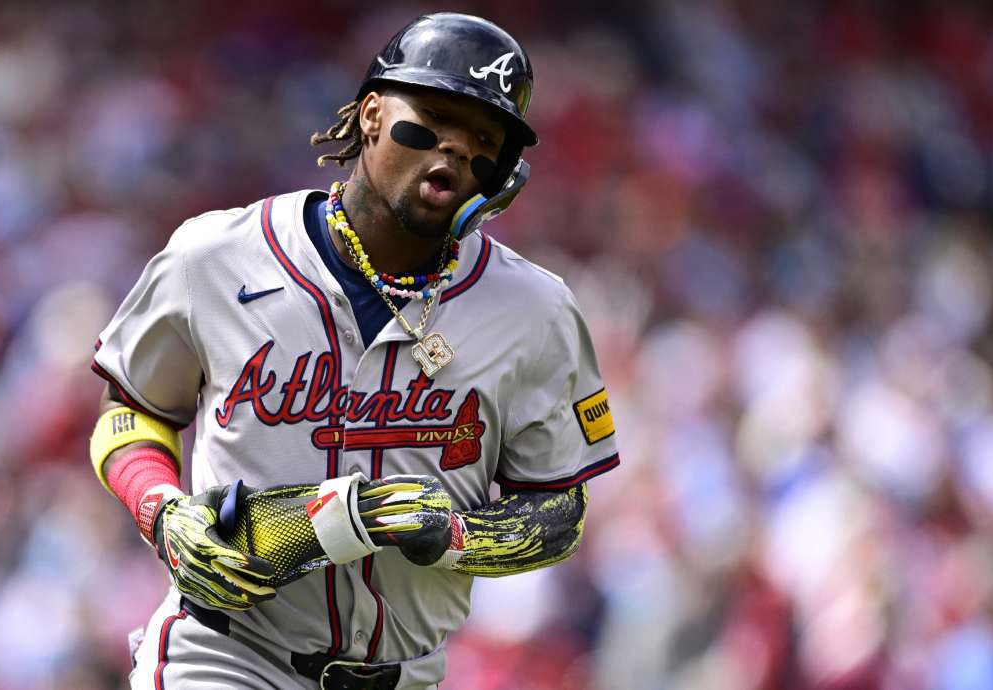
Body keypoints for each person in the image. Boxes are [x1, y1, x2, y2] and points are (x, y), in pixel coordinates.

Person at [88, 12, 619, 689]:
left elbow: (559, 511)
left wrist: (456, 537)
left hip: (406, 674)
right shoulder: (216, 256)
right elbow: (129, 410)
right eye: (431, 116)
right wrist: (161, 509)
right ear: (370, 115)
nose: (453, 149)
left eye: (483, 138)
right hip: (228, 656)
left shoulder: (535, 310)